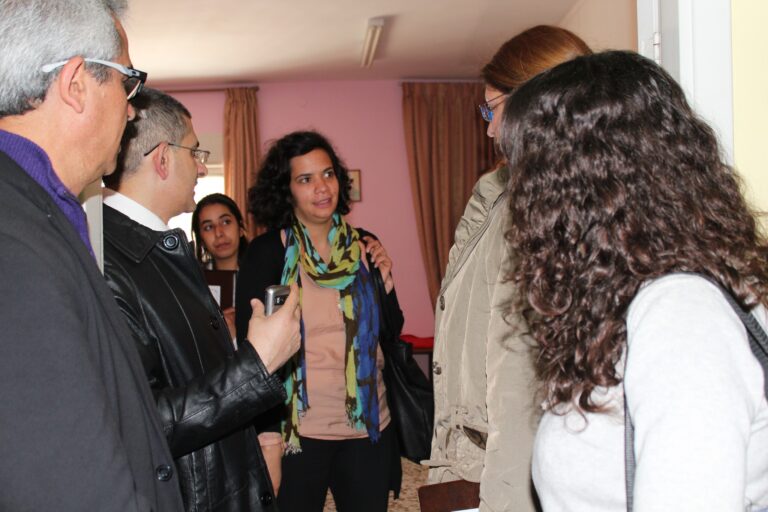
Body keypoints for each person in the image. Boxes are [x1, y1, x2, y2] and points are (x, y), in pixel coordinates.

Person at [499, 50, 768, 511]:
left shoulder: (682, 316)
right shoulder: (638, 300)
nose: (519, 197)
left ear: (572, 186)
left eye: (526, 172)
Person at [0, 1, 186, 510]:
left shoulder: (43, 207)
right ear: (77, 83)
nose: (132, 109)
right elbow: (65, 482)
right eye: (128, 82)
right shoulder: (13, 241)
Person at [101, 87, 301, 512]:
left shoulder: (161, 249)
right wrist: (259, 364)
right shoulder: (109, 261)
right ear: (162, 158)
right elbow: (144, 420)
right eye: (195, 152)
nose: (201, 166)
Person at [424, 25, 591, 511]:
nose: (490, 129)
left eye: (493, 109)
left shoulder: (547, 211)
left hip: (501, 475)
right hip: (471, 459)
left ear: (538, 106)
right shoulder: (499, 194)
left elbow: (519, 383)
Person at [235, 130, 400, 512]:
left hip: (368, 426)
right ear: (286, 190)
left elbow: (390, 332)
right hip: (298, 433)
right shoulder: (267, 253)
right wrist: (267, 435)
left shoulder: (364, 244)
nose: (322, 188)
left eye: (327, 174)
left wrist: (386, 286)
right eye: (305, 179)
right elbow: (253, 353)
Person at [192, 193, 249, 270]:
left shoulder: (263, 272)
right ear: (201, 239)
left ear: (240, 228)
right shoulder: (192, 277)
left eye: (226, 222)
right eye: (208, 227)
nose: (218, 233)